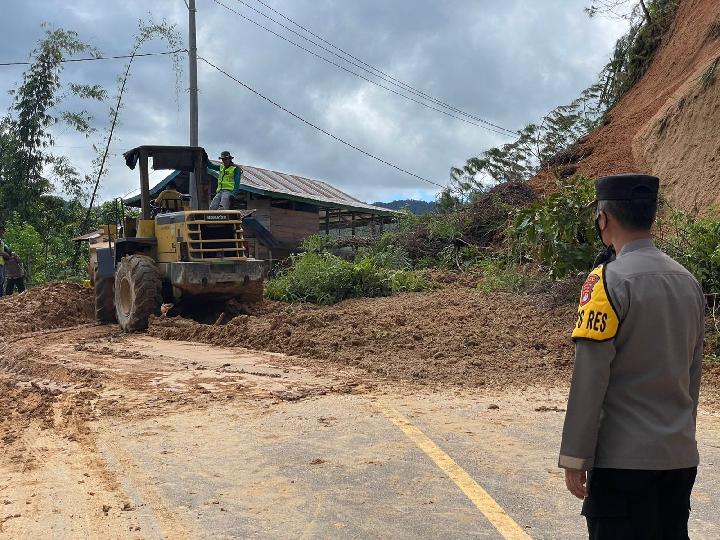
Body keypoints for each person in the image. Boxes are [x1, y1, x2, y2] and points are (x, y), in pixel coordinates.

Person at [559, 173, 705, 539]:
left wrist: (576, 457)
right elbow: (693, 375)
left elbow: (590, 377)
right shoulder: (688, 282)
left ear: (604, 219)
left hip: (623, 464)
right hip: (679, 459)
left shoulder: (606, 282)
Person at [0, 224, 10, 298]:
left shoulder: (1, 241)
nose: (3, 233)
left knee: (2, 280)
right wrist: (4, 254)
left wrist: (6, 255)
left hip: (2, 263)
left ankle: (1, 296)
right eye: (2, 230)